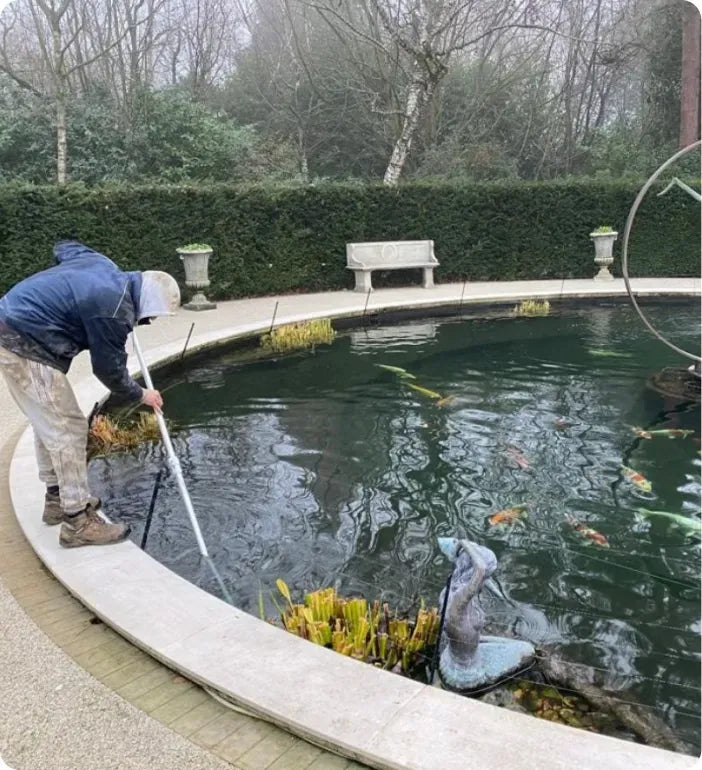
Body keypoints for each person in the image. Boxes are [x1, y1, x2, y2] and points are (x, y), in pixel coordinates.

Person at [0, 240, 180, 547]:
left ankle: (57, 499)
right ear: (145, 306)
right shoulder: (114, 311)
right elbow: (108, 371)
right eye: (150, 318)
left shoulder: (105, 269)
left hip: (13, 329)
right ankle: (77, 522)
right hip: (25, 343)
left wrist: (99, 264)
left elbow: (64, 247)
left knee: (50, 423)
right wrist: (141, 395)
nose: (146, 323)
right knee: (68, 428)